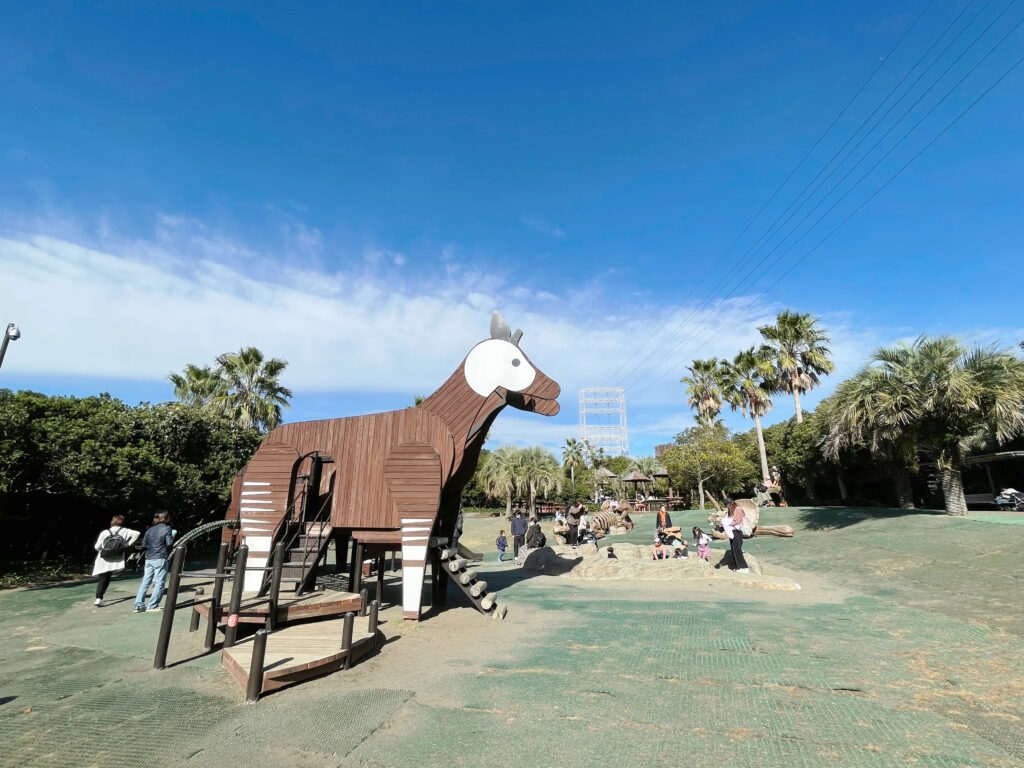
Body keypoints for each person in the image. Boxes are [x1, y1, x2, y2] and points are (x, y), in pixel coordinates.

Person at [91, 515, 140, 607]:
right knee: (107, 577)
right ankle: (99, 598)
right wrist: (127, 545)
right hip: (116, 558)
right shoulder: (125, 531)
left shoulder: (105, 532)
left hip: (104, 558)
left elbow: (97, 547)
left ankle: (98, 598)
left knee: (103, 577)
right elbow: (137, 533)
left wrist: (105, 550)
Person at [134, 512, 176, 612]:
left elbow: (143, 545)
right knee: (159, 582)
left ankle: (138, 605)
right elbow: (169, 544)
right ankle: (152, 605)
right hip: (160, 557)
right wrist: (172, 536)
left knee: (145, 581)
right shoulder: (167, 529)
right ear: (166, 519)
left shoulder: (149, 529)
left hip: (149, 558)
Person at [717, 500, 750, 573]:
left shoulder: (738, 510)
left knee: (737, 550)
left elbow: (737, 520)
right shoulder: (729, 512)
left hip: (737, 532)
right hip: (732, 532)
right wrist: (722, 525)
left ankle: (744, 567)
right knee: (734, 549)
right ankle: (739, 567)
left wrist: (727, 523)